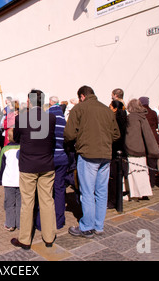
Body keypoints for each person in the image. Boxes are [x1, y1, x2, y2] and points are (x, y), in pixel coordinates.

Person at [64, 86, 120, 238]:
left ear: (82, 96)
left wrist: (79, 139)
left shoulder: (79, 108)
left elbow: (69, 134)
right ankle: (98, 225)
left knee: (87, 191)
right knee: (102, 191)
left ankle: (87, 226)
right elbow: (116, 134)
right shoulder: (107, 110)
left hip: (88, 153)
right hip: (105, 154)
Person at [10, 89, 57, 250]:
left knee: (27, 202)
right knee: (47, 201)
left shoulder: (22, 118)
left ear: (29, 102)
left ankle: (25, 239)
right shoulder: (51, 118)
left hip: (28, 165)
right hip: (46, 164)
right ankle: (49, 237)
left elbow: (15, 138)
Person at [36, 96, 68, 231]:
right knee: (60, 189)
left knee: (44, 190)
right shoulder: (63, 119)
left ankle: (41, 222)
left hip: (51, 157)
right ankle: (59, 220)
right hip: (63, 157)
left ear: (50, 103)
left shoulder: (48, 117)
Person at [124, 99, 159, 201]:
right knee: (142, 173)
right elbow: (148, 134)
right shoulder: (142, 117)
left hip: (132, 149)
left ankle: (135, 194)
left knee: (133, 174)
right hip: (142, 150)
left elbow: (129, 135)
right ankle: (144, 192)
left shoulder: (131, 118)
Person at [0, 130, 21, 231]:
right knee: (21, 203)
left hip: (8, 180)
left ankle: (10, 223)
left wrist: (0, 180)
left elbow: (1, 167)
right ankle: (21, 223)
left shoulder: (4, 149)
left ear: (8, 138)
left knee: (9, 203)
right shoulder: (23, 148)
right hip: (21, 179)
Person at [107, 99, 128, 209]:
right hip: (121, 150)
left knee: (113, 178)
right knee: (116, 178)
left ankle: (113, 201)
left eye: (110, 106)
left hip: (115, 151)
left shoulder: (115, 120)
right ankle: (116, 200)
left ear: (115, 109)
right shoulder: (124, 118)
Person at [139, 96, 159, 188]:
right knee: (152, 162)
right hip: (154, 138)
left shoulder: (141, 114)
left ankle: (146, 183)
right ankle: (152, 182)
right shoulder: (153, 113)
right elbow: (156, 125)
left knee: (145, 162)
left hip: (145, 139)